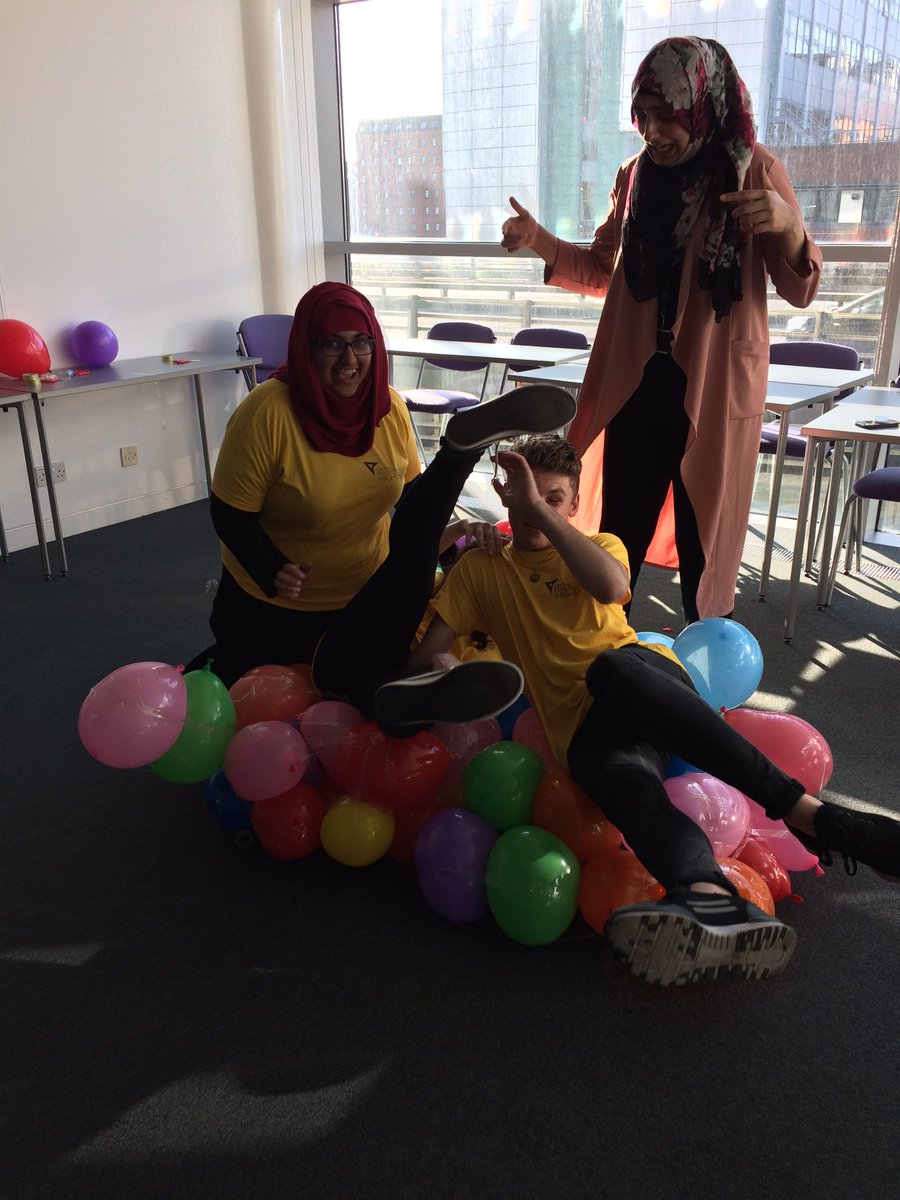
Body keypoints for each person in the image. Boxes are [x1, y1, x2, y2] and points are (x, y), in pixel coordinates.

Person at [390, 432, 900, 986]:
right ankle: (707, 896)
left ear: (573, 505)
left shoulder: (600, 545)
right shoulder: (481, 570)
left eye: (553, 499)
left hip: (644, 683)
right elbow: (421, 658)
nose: (537, 509)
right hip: (582, 728)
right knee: (626, 787)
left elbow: (612, 586)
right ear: (504, 493)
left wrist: (537, 510)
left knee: (607, 670)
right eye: (526, 496)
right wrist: (442, 661)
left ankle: (810, 816)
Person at [500, 36, 823, 624]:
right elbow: (603, 270)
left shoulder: (753, 168)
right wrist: (538, 240)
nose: (651, 131)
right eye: (641, 116)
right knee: (617, 537)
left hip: (715, 388)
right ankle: (606, 655)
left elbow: (799, 289)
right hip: (636, 386)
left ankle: (705, 664)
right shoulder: (635, 178)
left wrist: (789, 228)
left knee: (706, 547)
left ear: (700, 105)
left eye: (664, 116)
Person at [186, 281, 506, 686]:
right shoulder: (264, 414)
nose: (349, 359)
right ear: (307, 347)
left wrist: (458, 535)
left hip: (366, 591)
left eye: (361, 342)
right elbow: (230, 514)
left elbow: (414, 503)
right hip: (276, 603)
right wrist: (272, 570)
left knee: (357, 689)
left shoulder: (388, 408)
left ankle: (461, 451)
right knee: (262, 693)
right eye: (332, 344)